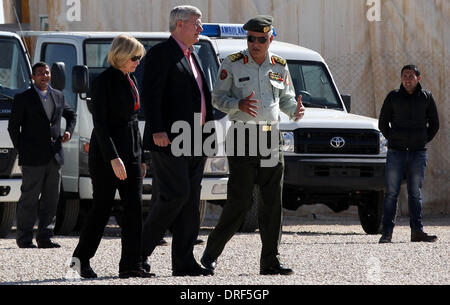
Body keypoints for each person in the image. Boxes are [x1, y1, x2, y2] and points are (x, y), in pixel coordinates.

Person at [200, 15, 305, 275]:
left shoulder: (279, 65)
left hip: (270, 137)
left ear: (271, 39)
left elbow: (286, 99)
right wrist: (238, 105)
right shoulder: (233, 63)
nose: (255, 43)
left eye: (260, 39)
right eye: (250, 39)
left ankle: (270, 261)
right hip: (242, 136)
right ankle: (210, 255)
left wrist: (296, 111)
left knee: (272, 201)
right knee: (240, 201)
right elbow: (217, 98)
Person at [141, 5, 215, 276]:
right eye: (197, 23)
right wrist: (158, 129)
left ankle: (183, 262)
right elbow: (150, 95)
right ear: (180, 25)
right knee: (175, 195)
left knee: (190, 200)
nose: (200, 28)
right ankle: (138, 253)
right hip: (171, 139)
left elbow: (199, 97)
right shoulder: (162, 54)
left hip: (198, 139)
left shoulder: (192, 54)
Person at [71, 35, 153, 279]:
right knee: (101, 208)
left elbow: (133, 121)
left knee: (134, 209)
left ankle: (131, 265)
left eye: (139, 58)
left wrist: (142, 157)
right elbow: (101, 124)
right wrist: (114, 158)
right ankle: (79, 261)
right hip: (107, 154)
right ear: (121, 55)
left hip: (132, 153)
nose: (138, 62)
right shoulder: (103, 82)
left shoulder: (131, 78)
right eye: (135, 58)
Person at [8, 62, 76, 249]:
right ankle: (24, 239)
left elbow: (71, 115)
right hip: (32, 158)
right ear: (33, 77)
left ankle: (45, 237)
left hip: (54, 157)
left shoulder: (59, 96)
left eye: (46, 73)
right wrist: (22, 149)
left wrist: (69, 131)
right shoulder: (23, 98)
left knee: (51, 199)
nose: (44, 76)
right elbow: (13, 127)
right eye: (40, 73)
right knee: (29, 199)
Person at [378, 65, 439, 243]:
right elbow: (383, 122)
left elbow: (435, 124)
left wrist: (421, 141)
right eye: (404, 76)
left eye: (411, 76)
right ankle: (387, 233)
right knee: (391, 193)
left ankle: (417, 232)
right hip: (395, 152)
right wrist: (394, 140)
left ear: (418, 78)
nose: (407, 79)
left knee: (415, 192)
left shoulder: (426, 98)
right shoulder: (393, 96)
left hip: (418, 153)